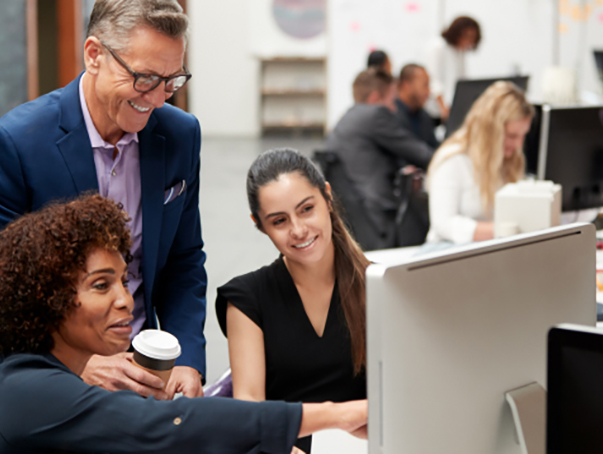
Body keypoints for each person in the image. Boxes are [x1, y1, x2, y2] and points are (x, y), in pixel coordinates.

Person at [0, 194, 367, 454]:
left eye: (124, 281)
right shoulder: (27, 390)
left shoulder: (53, 377)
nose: (126, 300)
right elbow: (172, 424)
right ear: (47, 298)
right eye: (101, 285)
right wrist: (338, 414)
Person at [0, 0, 205, 399]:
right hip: (52, 371)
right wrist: (74, 361)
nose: (160, 99)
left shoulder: (180, 135)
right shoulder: (18, 143)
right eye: (144, 78)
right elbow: (7, 286)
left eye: (172, 81)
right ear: (94, 55)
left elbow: (184, 259)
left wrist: (187, 358)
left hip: (145, 367)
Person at [215, 148, 370, 453]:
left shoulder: (377, 285)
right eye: (279, 221)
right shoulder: (246, 300)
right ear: (259, 224)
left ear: (327, 197)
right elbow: (250, 417)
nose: (298, 230)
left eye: (306, 209)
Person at [325, 68, 434, 250]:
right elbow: (420, 153)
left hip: (356, 217)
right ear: (375, 99)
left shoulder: (347, 118)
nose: (394, 108)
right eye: (391, 100)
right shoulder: (375, 115)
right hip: (379, 217)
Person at [426, 81, 534, 244]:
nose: (519, 144)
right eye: (512, 136)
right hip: (449, 254)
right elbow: (443, 223)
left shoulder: (511, 160)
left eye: (523, 136)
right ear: (490, 130)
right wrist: (503, 231)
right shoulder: (453, 160)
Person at [424, 16, 482, 121]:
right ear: (457, 33)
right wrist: (443, 108)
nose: (468, 41)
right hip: (436, 110)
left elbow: (463, 80)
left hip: (453, 108)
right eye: (466, 36)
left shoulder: (460, 51)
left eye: (472, 38)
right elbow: (433, 80)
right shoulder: (438, 46)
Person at [395, 64, 439, 149]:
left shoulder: (424, 116)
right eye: (425, 85)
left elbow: (433, 146)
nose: (428, 92)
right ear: (406, 85)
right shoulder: (390, 116)